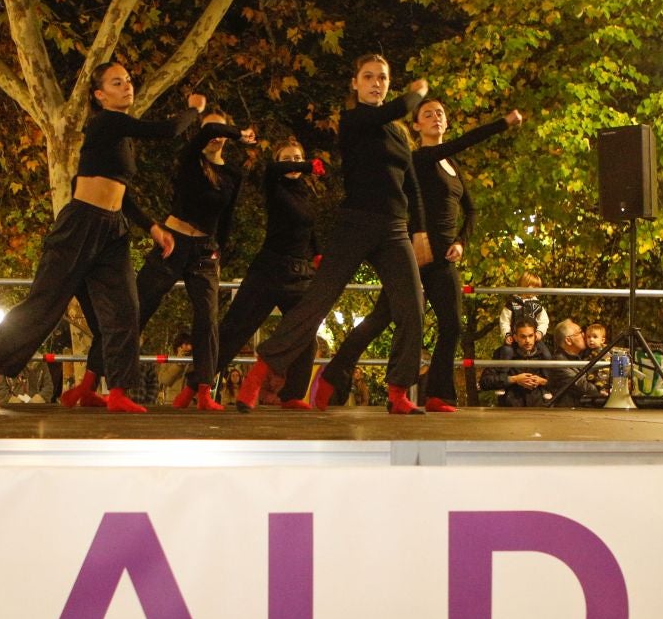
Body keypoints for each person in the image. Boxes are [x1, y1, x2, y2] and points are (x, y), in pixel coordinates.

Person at [0, 62, 180, 414]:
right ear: (100, 94)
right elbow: (170, 130)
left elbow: (120, 191)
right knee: (45, 305)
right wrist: (197, 111)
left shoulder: (121, 136)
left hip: (113, 229)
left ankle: (118, 392)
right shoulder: (105, 122)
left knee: (124, 310)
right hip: (80, 226)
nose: (127, 86)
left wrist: (152, 227)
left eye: (128, 80)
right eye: (117, 82)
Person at [234, 54, 433, 415]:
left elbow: (413, 184)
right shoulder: (355, 119)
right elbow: (392, 110)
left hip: (394, 228)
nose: (376, 83)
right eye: (368, 77)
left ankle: (398, 391)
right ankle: (259, 374)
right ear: (355, 84)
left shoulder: (399, 133)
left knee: (412, 306)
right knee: (316, 302)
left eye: (383, 77)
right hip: (356, 223)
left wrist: (420, 231)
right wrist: (416, 93)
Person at [317, 99, 526, 411]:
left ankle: (439, 394)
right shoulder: (419, 158)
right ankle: (334, 373)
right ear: (416, 126)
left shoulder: (452, 166)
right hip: (414, 255)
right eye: (427, 114)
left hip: (443, 259)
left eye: (440, 112)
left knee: (452, 324)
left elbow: (471, 209)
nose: (435, 117)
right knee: (379, 319)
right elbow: (416, 200)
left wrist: (461, 242)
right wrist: (503, 122)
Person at [76, 94, 253, 411]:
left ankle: (203, 392)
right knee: (135, 312)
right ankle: (89, 382)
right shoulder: (190, 158)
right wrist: (231, 130)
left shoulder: (233, 174)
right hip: (173, 242)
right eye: (210, 130)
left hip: (204, 251)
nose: (215, 137)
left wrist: (219, 253)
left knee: (208, 321)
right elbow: (198, 136)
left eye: (221, 131)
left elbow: (225, 219)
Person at [214, 139, 325, 408]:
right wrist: (308, 164)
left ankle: (292, 396)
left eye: (298, 156)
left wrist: (318, 255)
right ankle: (199, 383)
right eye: (288, 157)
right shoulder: (274, 184)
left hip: (299, 273)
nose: (294, 162)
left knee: (304, 335)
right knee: (236, 327)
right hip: (269, 269)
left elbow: (308, 230)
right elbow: (274, 169)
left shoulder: (304, 192)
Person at [482, 318, 554, 407]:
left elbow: (562, 383)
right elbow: (485, 382)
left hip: (540, 409)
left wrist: (542, 381)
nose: (527, 340)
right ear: (515, 337)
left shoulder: (545, 355)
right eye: (523, 336)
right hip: (510, 411)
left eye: (530, 336)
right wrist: (513, 379)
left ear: (535, 336)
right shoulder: (503, 354)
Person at [549, 318, 607, 407]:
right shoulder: (559, 362)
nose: (584, 335)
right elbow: (582, 386)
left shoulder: (580, 357)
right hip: (568, 414)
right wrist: (603, 390)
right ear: (568, 340)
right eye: (579, 332)